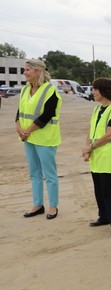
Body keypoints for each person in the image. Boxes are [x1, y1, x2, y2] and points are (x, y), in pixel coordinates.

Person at [16, 59, 62, 220]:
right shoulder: (24, 90)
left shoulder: (50, 90)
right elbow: (19, 112)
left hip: (45, 138)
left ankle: (53, 206)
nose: (24, 73)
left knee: (49, 174)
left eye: (27, 69)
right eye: (24, 70)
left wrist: (27, 130)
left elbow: (47, 115)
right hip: (28, 138)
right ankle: (38, 205)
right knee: (34, 173)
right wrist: (19, 128)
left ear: (37, 71)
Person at [82, 77, 111, 237]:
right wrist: (87, 149)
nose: (92, 92)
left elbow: (110, 134)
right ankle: (104, 216)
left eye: (95, 89)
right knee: (99, 190)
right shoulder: (97, 109)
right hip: (97, 156)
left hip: (109, 156)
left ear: (104, 91)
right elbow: (91, 131)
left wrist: (91, 147)